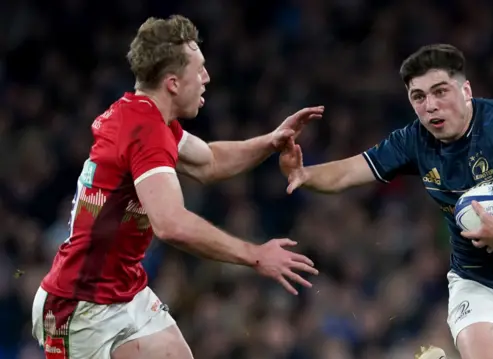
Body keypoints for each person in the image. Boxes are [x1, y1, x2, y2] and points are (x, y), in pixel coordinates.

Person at [31, 15, 323, 359]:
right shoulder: (145, 131)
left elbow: (210, 161)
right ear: (172, 82)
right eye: (199, 69)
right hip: (78, 308)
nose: (206, 78)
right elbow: (171, 224)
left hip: (125, 292)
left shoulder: (148, 118)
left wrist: (270, 142)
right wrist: (254, 255)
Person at [279, 44, 493, 359]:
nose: (430, 106)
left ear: (465, 90)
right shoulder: (414, 140)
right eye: (419, 97)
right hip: (478, 284)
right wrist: (303, 173)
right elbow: (348, 172)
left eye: (440, 92)